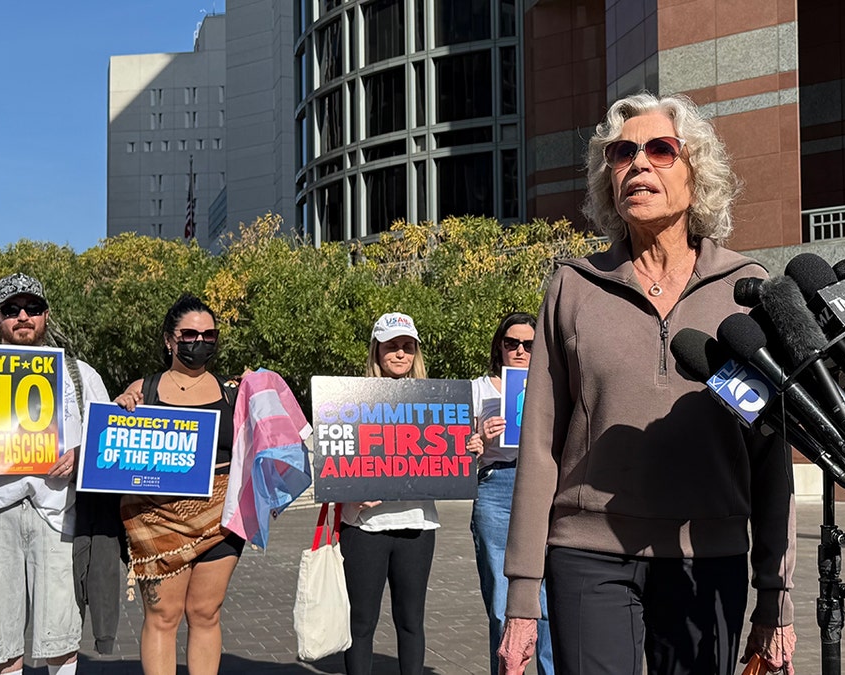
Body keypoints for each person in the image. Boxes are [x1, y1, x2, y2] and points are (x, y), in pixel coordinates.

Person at [499, 92, 798, 675]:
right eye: (622, 153)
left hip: (706, 556)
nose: (638, 164)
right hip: (586, 555)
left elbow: (770, 456)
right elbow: (538, 446)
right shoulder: (573, 286)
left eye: (660, 150)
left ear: (697, 172)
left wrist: (775, 596)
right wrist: (519, 597)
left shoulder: (748, 287)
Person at [0, 273, 111, 675]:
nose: (23, 317)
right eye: (11, 310)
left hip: (58, 514)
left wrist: (80, 455)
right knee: (1, 647)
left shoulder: (80, 375)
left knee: (60, 641)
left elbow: (108, 442)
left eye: (33, 308)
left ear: (46, 315)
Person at [340, 311, 483, 675]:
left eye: (407, 346)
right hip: (364, 527)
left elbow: (450, 454)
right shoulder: (348, 400)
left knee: (411, 622)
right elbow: (333, 459)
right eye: (392, 346)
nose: (400, 354)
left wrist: (468, 447)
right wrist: (350, 493)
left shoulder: (438, 403)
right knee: (361, 625)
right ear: (376, 350)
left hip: (416, 527)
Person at [114, 293, 243, 675]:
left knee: (205, 612)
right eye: (189, 334)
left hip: (220, 520)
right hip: (155, 519)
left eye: (209, 335)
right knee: (163, 615)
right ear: (170, 339)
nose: (199, 342)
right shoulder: (144, 390)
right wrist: (121, 408)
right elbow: (117, 449)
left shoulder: (234, 392)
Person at [470, 312, 554, 675]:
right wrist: (479, 439)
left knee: (550, 603)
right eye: (511, 343)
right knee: (502, 604)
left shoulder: (552, 386)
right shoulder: (478, 389)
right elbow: (456, 452)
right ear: (499, 346)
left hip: (543, 486)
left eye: (529, 345)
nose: (519, 351)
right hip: (496, 485)